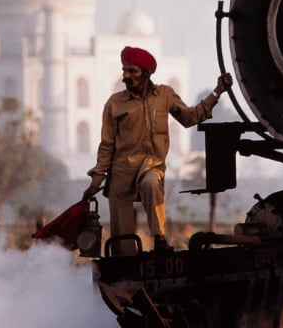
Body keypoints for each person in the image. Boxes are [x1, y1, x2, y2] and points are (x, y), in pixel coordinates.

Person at [82, 46, 233, 251]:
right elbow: (107, 144)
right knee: (123, 247)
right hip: (121, 174)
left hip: (150, 166)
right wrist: (96, 180)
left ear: (146, 73)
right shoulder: (115, 103)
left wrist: (217, 92)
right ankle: (127, 277)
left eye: (132, 71)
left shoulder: (164, 96)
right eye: (124, 70)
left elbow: (190, 118)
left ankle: (159, 239)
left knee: (152, 183)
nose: (126, 76)